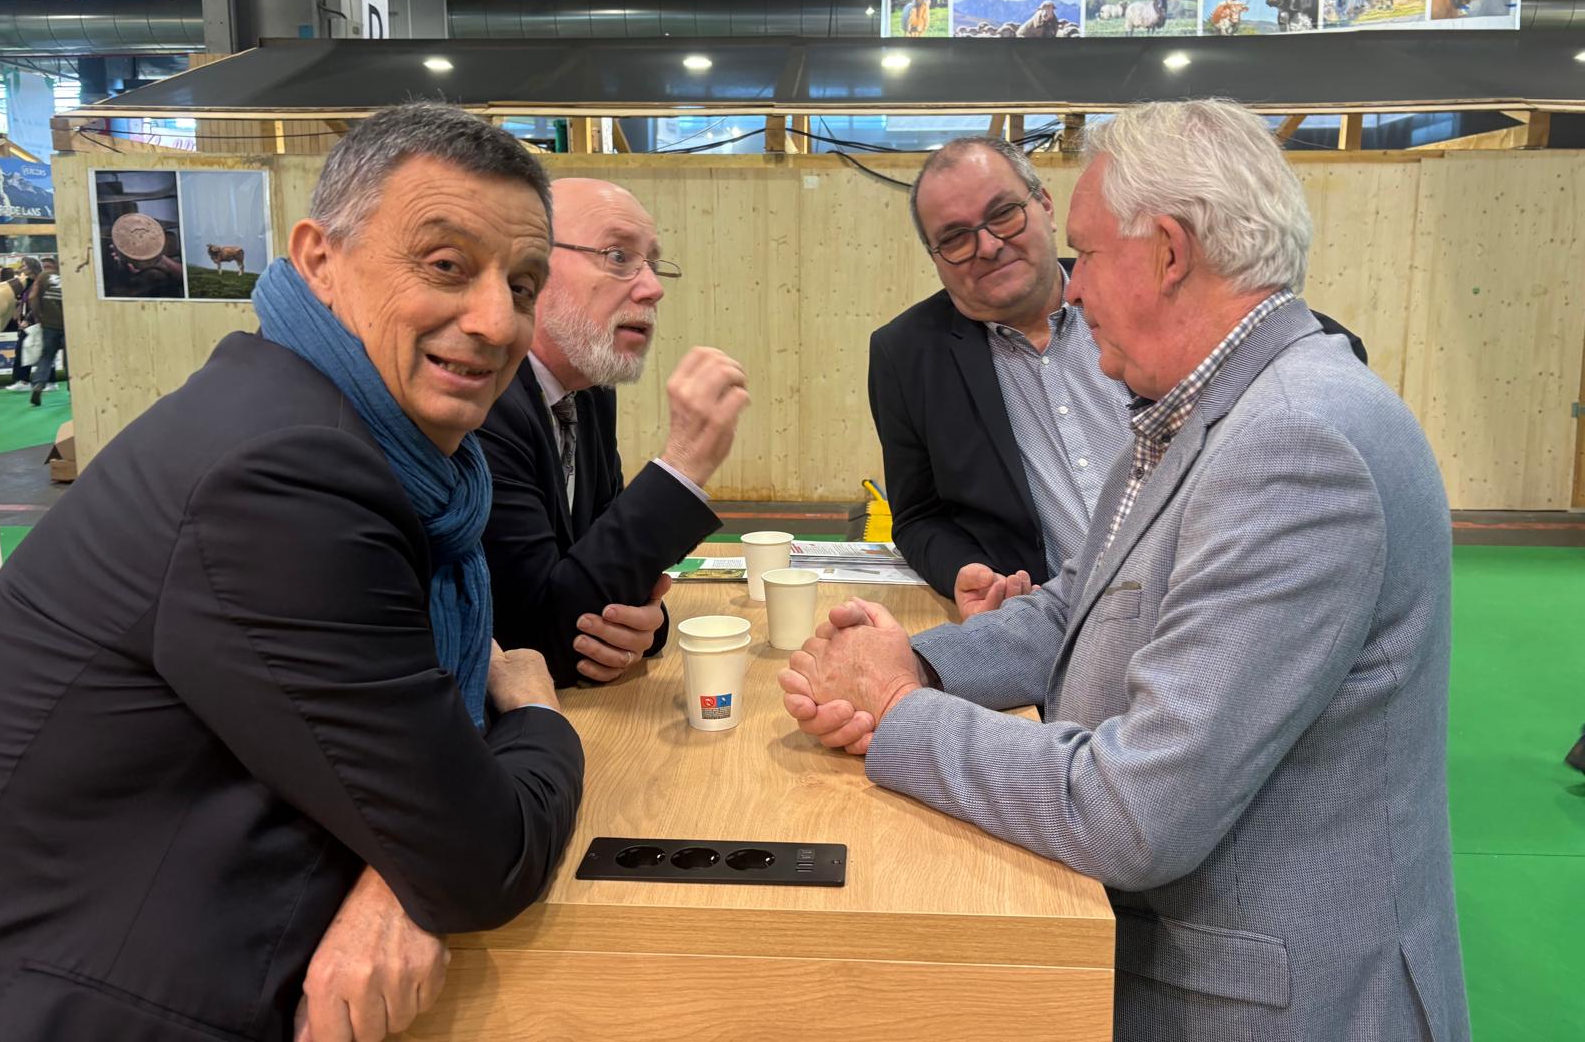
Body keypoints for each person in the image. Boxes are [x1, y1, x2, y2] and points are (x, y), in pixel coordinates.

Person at [783, 99, 1468, 1041]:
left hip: (1272, 1003)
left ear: (1169, 253)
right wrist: (925, 662)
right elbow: (1084, 600)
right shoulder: (1209, 410)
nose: (1074, 291)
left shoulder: (1293, 445)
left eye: (1089, 255)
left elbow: (1139, 810)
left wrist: (900, 713)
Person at [0, 103, 585, 1042]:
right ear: (318, 260)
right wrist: (540, 719)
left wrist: (397, 865)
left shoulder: (328, 430)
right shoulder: (285, 473)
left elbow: (387, 772)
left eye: (521, 284)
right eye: (445, 265)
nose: (494, 320)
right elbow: (482, 859)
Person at [868, 136, 1368, 617]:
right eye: (955, 238)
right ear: (934, 256)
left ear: (1045, 205)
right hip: (1048, 625)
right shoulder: (906, 354)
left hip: (1201, 603)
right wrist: (962, 570)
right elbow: (918, 516)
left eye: (1003, 214)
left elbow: (1293, 342)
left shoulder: (1138, 296)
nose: (987, 245)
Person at [479, 177, 749, 685]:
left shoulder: (589, 391)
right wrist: (683, 464)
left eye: (652, 263)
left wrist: (642, 623)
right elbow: (537, 643)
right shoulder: (484, 400)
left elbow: (602, 566)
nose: (653, 288)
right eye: (618, 257)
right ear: (530, 271)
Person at [26, 255, 64, 406]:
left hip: (49, 325)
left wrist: (38, 317)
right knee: (72, 359)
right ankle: (74, 389)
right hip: (69, 325)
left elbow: (32, 297)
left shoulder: (43, 277)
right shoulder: (71, 276)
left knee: (46, 357)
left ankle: (39, 384)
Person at [4, 256, 39, 392]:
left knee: (26, 350)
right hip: (26, 322)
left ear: (31, 267)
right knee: (22, 350)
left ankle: (24, 381)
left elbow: (37, 304)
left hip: (35, 322)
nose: (22, 268)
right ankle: (22, 380)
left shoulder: (39, 282)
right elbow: (24, 301)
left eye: (24, 265)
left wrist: (27, 319)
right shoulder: (27, 283)